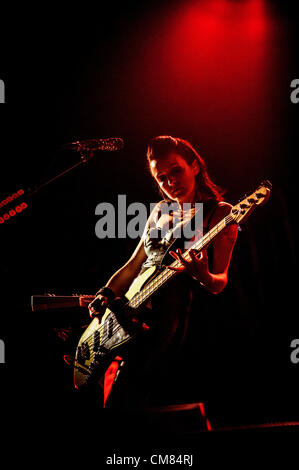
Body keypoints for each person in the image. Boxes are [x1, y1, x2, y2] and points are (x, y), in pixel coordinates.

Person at [88, 135, 238, 410]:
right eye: (162, 178)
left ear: (194, 167)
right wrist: (106, 293)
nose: (170, 183)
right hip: (133, 316)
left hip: (171, 324)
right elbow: (133, 266)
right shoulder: (160, 210)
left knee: (130, 401)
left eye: (176, 171)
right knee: (107, 398)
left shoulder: (220, 212)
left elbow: (220, 281)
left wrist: (202, 274)